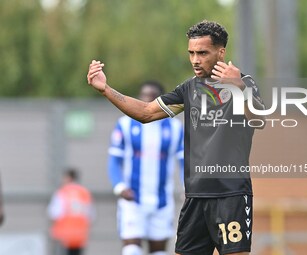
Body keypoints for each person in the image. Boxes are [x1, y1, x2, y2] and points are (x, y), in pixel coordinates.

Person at [87, 20, 266, 255]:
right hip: (195, 197)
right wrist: (106, 90)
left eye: (202, 53)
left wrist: (239, 87)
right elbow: (146, 112)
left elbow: (259, 120)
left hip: (230, 194)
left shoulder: (244, 82)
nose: (195, 60)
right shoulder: (188, 89)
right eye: (191, 53)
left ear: (221, 52)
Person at [108, 80, 184, 255]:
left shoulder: (175, 128)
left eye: (152, 96)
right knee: (131, 250)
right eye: (144, 96)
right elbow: (114, 160)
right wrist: (119, 186)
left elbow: (183, 161)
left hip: (162, 200)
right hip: (133, 199)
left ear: (161, 100)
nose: (147, 100)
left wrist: (187, 187)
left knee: (158, 252)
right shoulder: (125, 124)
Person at [47, 168, 94, 255]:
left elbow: (54, 213)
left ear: (68, 178)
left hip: (64, 235)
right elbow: (90, 214)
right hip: (80, 235)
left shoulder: (62, 192)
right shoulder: (84, 192)